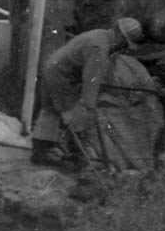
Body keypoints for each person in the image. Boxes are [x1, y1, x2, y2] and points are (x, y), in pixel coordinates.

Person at [31, 17, 144, 166]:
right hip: (60, 77)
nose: (125, 47)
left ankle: (40, 153)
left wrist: (118, 91)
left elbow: (105, 71)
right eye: (126, 43)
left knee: (51, 111)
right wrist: (88, 105)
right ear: (121, 36)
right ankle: (77, 157)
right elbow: (91, 79)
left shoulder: (102, 36)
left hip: (53, 69)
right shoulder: (99, 47)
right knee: (77, 116)